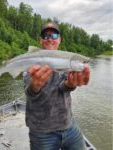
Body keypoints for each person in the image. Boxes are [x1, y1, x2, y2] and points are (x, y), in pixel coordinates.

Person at [23, 22, 90, 150]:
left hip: (68, 124)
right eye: (45, 35)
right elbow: (29, 92)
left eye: (54, 35)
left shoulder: (66, 62)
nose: (50, 38)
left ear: (59, 40)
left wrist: (70, 85)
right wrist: (35, 86)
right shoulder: (31, 60)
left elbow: (63, 88)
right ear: (40, 39)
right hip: (41, 131)